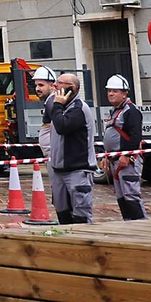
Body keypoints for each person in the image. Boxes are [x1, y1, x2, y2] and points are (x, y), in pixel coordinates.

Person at [49, 72, 96, 224]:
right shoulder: (63, 106)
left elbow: (63, 126)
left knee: (81, 216)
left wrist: (57, 105)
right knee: (63, 214)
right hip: (59, 171)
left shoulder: (78, 108)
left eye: (59, 83)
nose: (55, 85)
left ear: (71, 88)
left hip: (77, 171)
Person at [103, 74, 146, 220]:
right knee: (122, 196)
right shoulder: (116, 111)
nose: (111, 93)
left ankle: (141, 226)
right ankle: (128, 222)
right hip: (115, 160)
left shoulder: (131, 111)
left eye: (115, 91)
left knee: (131, 195)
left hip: (127, 161)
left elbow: (135, 136)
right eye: (109, 90)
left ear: (124, 93)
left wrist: (127, 155)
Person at [32, 66, 58, 164]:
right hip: (52, 154)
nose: (37, 89)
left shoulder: (52, 102)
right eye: (36, 85)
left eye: (41, 85)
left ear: (52, 86)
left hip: (54, 155)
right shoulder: (50, 101)